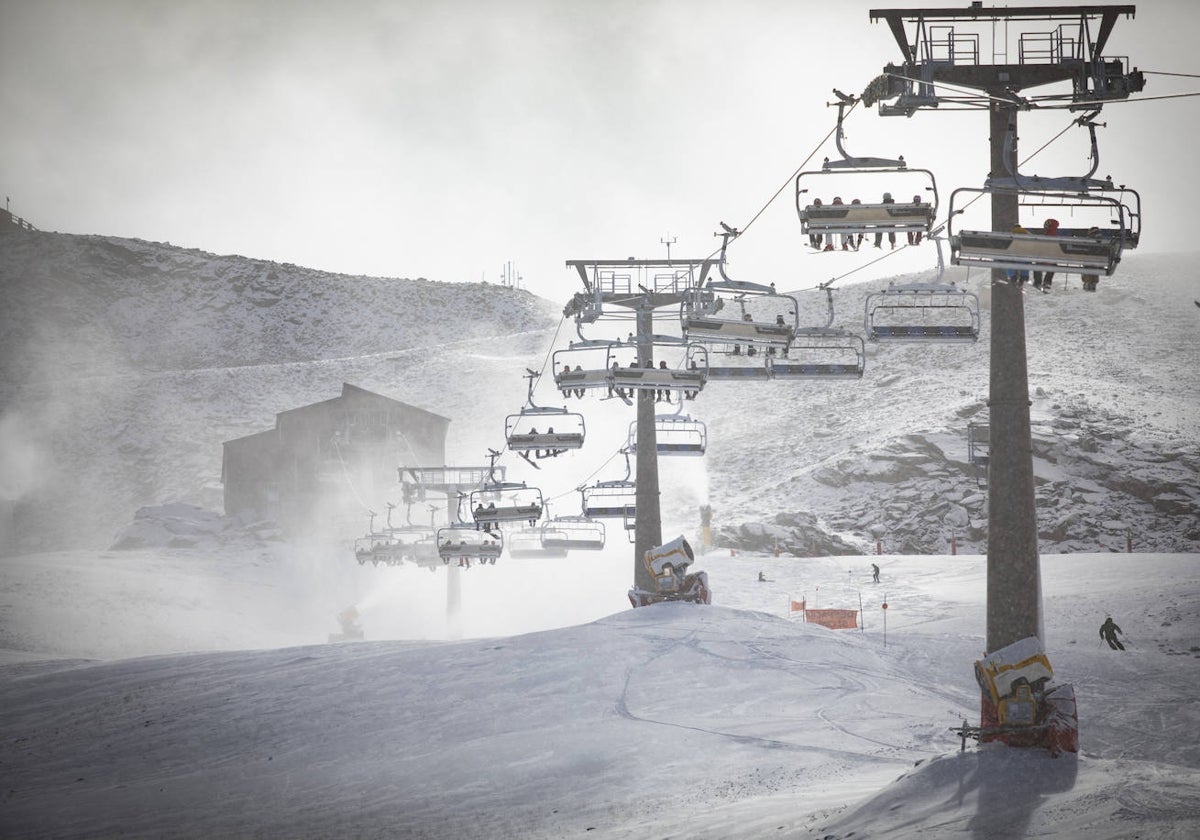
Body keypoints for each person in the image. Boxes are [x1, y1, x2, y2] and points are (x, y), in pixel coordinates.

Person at [1032, 218, 1060, 292]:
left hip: (1043, 257)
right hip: (1051, 258)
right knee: (1053, 267)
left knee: (1037, 266)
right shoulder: (1054, 234)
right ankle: (1047, 282)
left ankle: (1038, 282)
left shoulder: (1046, 234)